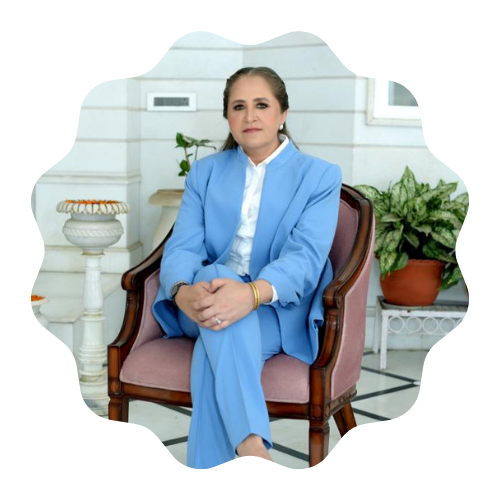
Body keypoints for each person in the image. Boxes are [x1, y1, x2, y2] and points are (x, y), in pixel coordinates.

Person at [152, 67, 342, 469]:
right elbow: (182, 247)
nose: (250, 116)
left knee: (214, 348)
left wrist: (251, 294)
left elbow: (305, 258)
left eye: (261, 105)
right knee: (213, 279)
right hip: (199, 303)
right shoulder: (205, 172)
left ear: (283, 114)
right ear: (227, 116)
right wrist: (182, 292)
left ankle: (239, 450)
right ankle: (253, 446)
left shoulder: (319, 176)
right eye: (238, 106)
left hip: (275, 310)